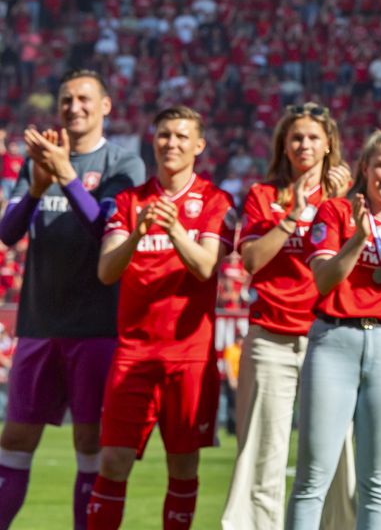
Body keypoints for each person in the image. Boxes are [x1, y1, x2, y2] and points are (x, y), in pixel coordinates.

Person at [0, 70, 144, 530]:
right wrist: (39, 185)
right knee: (15, 438)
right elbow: (8, 233)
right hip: (39, 323)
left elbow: (107, 231)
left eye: (84, 98)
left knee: (90, 443)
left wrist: (66, 176)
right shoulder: (34, 161)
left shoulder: (126, 165)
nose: (74, 106)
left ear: (105, 106)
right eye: (66, 99)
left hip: (96, 327)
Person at [88, 106, 236, 529]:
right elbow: (106, 271)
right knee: (113, 460)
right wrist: (137, 233)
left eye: (181, 136)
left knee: (183, 466)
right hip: (134, 353)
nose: (171, 143)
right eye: (164, 135)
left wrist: (173, 230)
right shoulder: (128, 202)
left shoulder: (215, 201)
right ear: (153, 141)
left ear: (199, 146)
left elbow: (207, 266)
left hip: (189, 356)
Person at [287, 130, 381, 529]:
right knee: (312, 477)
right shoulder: (335, 211)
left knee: (378, 481)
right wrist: (358, 238)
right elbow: (323, 281)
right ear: (365, 169)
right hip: (335, 341)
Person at [221, 103, 356, 530]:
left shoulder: (349, 198)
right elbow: (253, 260)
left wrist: (335, 205)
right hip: (271, 336)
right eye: (296, 137)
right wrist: (294, 214)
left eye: (314, 137)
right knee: (262, 453)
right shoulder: (264, 195)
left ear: (329, 143)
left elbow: (355, 270)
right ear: (284, 143)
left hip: (329, 335)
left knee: (338, 453)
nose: (304, 145)